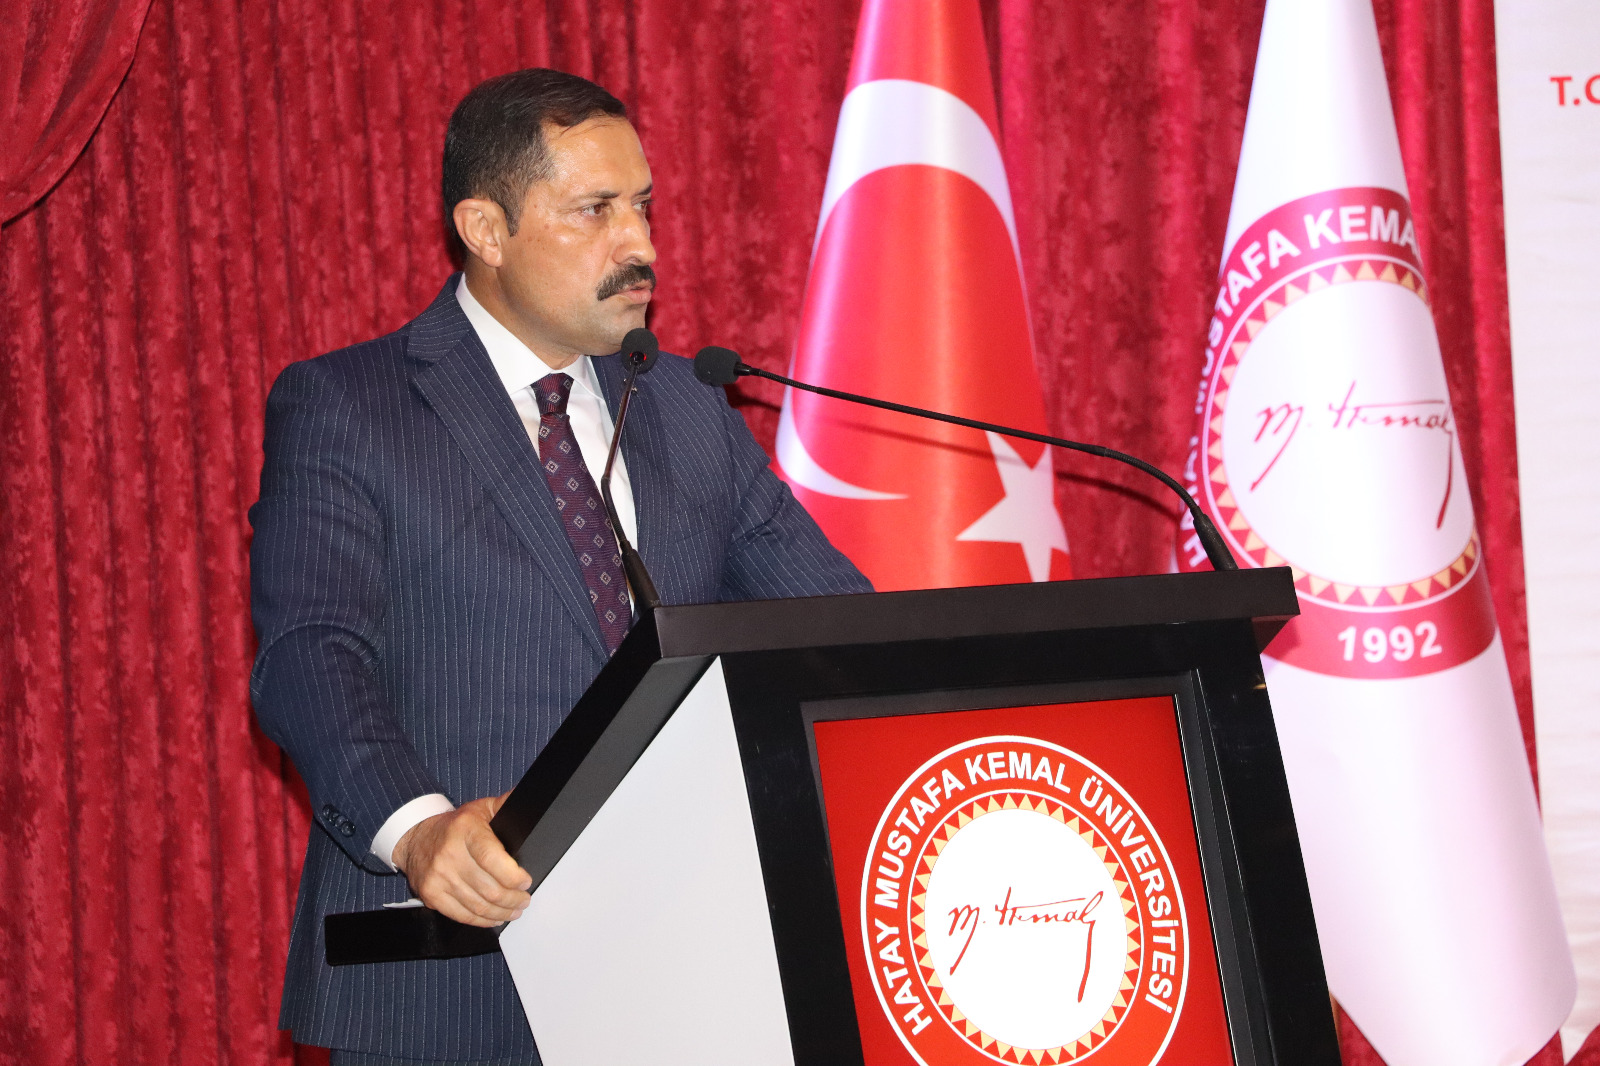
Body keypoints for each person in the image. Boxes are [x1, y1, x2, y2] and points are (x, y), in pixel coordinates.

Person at [248, 68, 871, 1065]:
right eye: (596, 210)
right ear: (485, 230)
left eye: (644, 206)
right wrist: (420, 830)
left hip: (691, 972)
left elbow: (832, 630)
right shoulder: (351, 408)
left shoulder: (685, 405)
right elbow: (310, 652)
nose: (641, 244)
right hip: (459, 977)